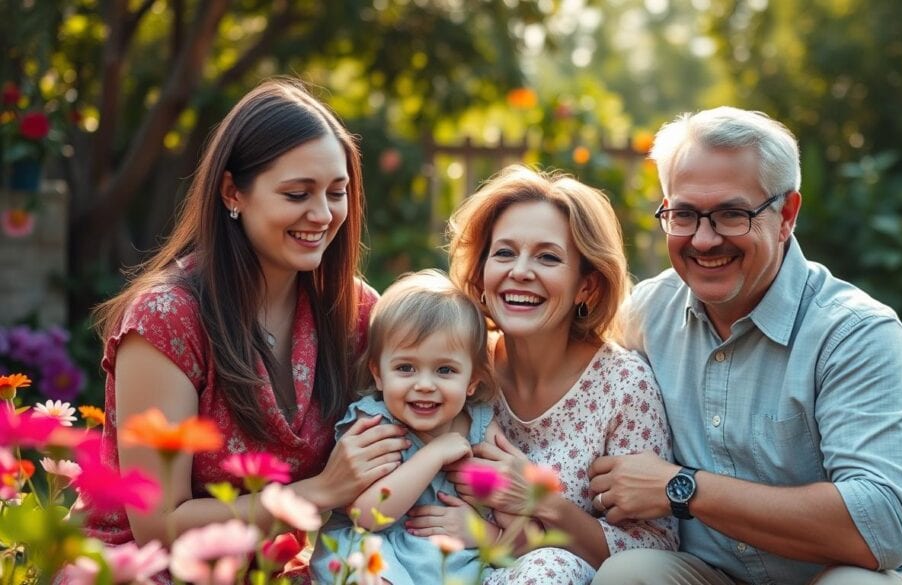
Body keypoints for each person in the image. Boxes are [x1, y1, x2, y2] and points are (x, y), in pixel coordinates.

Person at [587, 107, 902, 585]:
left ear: (786, 215)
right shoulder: (645, 314)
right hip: (711, 575)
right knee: (629, 574)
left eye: (732, 214)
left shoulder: (856, 333)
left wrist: (683, 489)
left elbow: (880, 526)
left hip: (842, 574)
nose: (704, 239)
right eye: (684, 214)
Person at [82, 79, 408, 583]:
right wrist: (319, 492)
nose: (322, 215)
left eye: (337, 193)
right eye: (297, 194)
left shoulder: (355, 310)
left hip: (277, 570)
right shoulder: (167, 318)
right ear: (233, 192)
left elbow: (435, 388)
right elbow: (158, 526)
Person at [445, 165, 679, 584]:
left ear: (586, 287)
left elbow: (652, 551)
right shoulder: (458, 366)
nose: (520, 271)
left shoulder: (624, 388)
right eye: (504, 253)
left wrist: (543, 501)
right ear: (480, 274)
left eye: (548, 257)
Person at [310, 269, 500, 585]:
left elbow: (506, 492)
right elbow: (367, 517)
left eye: (445, 370)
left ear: (472, 381)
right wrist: (433, 455)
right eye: (406, 368)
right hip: (376, 547)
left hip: (445, 556)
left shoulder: (480, 424)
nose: (424, 385)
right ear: (379, 374)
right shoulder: (374, 425)